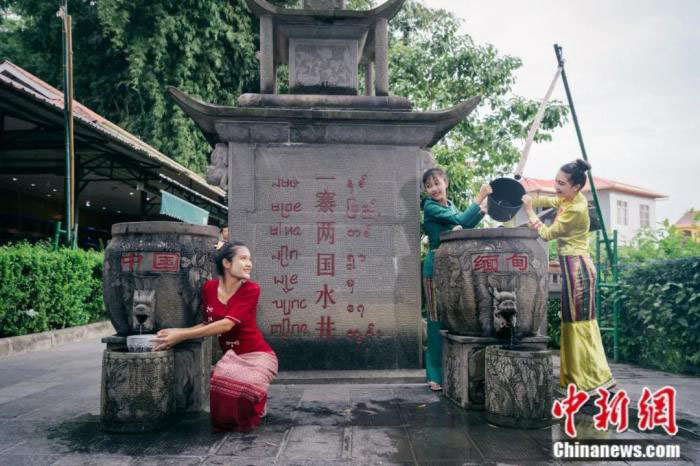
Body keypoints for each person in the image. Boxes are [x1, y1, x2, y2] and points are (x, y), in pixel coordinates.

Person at [153, 241, 278, 431]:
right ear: (226, 263)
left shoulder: (251, 289)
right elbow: (208, 323)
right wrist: (175, 333)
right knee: (222, 405)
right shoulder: (209, 288)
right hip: (232, 357)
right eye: (243, 258)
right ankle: (250, 398)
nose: (249, 264)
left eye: (250, 259)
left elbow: (226, 324)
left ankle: (257, 399)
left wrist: (181, 335)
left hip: (259, 355)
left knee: (241, 384)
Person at [521, 159, 615, 395]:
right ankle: (579, 380)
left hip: (578, 270)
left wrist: (530, 211)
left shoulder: (576, 209)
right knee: (574, 324)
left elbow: (547, 233)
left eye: (562, 184)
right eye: (556, 181)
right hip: (575, 268)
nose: (557, 187)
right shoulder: (569, 199)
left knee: (578, 326)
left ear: (576, 187)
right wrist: (529, 197)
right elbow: (551, 200)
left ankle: (587, 381)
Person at [422, 167, 492, 391]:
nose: (434, 189)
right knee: (435, 319)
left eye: (437, 183)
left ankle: (450, 372)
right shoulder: (430, 206)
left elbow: (464, 225)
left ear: (446, 183)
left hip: (452, 267)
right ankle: (434, 375)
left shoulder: (450, 206)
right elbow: (460, 220)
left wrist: (482, 210)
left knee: (451, 318)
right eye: (429, 186)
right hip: (435, 267)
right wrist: (479, 197)